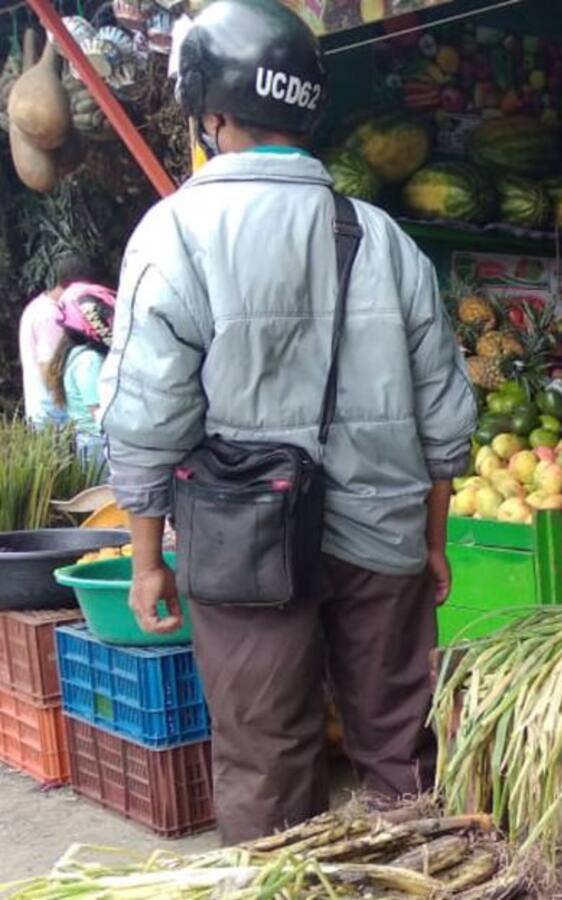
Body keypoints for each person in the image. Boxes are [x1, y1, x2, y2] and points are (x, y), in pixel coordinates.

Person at [99, 0, 476, 843]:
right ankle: (427, 881)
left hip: (244, 544)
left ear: (211, 112)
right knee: (401, 753)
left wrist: (148, 560)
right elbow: (446, 415)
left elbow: (149, 416)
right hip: (384, 535)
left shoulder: (175, 233)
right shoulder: (383, 237)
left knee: (267, 766)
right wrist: (434, 541)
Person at [18, 254, 95, 428]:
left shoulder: (38, 307)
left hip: (44, 412)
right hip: (53, 417)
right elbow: (49, 368)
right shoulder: (51, 316)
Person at [48, 283, 117, 463]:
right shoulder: (89, 361)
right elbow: (100, 413)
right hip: (98, 445)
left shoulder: (76, 354)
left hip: (90, 443)